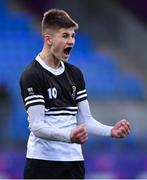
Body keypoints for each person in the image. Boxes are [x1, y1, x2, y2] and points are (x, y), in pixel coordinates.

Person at [20, 8, 131, 179]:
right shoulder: (33, 75)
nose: (71, 41)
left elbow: (85, 120)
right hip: (42, 163)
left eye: (73, 36)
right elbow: (37, 126)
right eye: (65, 35)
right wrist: (69, 136)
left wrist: (111, 131)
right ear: (48, 39)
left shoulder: (75, 74)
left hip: (73, 163)